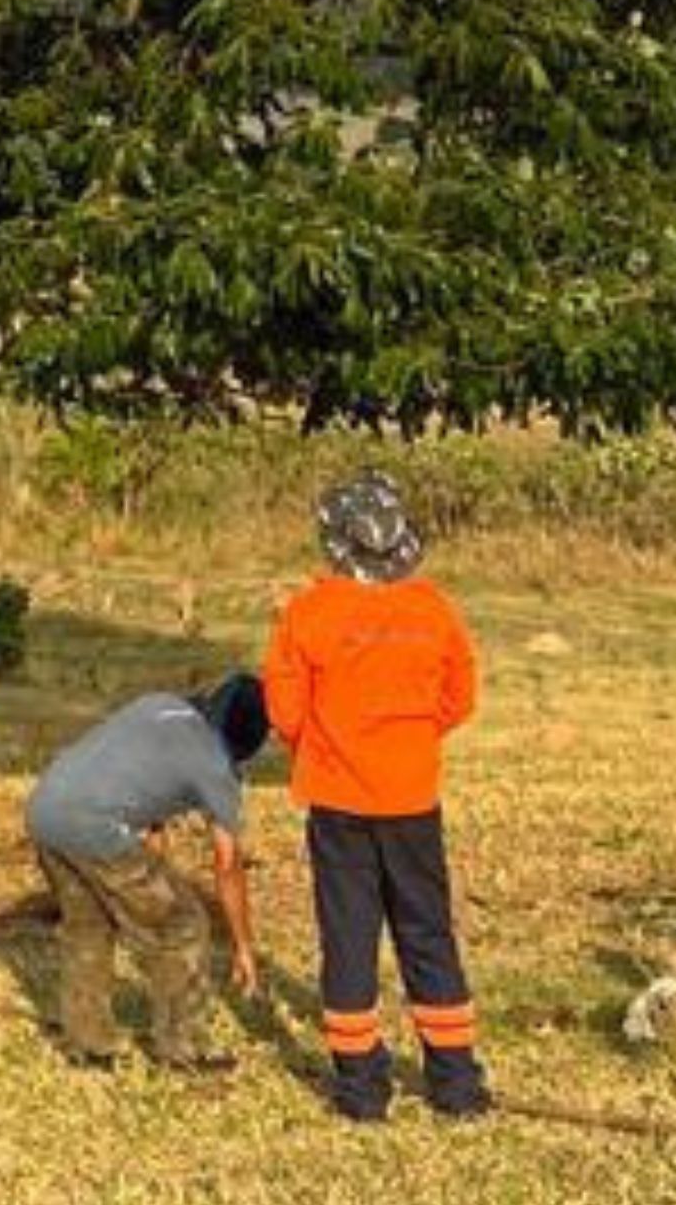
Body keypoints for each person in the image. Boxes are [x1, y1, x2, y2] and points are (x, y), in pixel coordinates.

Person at [263, 470, 492, 1122]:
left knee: (348, 935)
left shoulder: (309, 611)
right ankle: (455, 1083)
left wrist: (329, 744)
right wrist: (412, 739)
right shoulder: (433, 608)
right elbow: (460, 697)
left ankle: (361, 1089)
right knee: (428, 934)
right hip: (414, 798)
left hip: (338, 804)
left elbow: (284, 708)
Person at [20, 673, 268, 1072]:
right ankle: (183, 1050)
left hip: (44, 809)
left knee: (89, 925)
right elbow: (227, 864)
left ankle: (89, 1044)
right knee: (183, 926)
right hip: (96, 826)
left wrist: (150, 880)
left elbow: (149, 809)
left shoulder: (159, 705)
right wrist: (243, 946)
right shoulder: (215, 768)